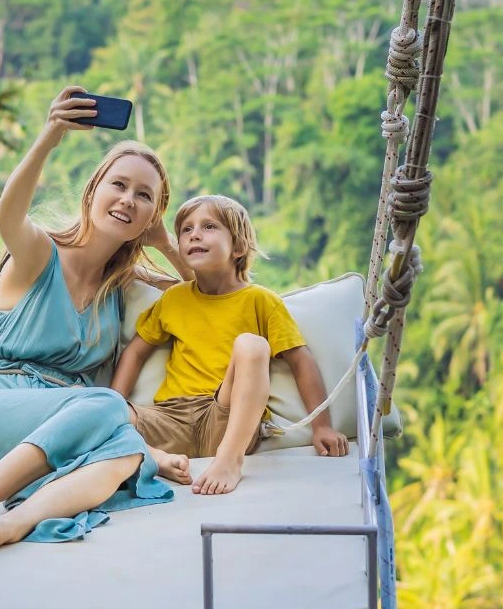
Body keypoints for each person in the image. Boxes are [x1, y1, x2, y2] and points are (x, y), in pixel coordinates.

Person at [0, 87, 191, 559]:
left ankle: (11, 524)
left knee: (125, 448)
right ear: (94, 190)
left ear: (151, 216)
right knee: (108, 407)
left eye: (144, 196)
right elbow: (8, 216)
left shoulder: (120, 286)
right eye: (119, 185)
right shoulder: (39, 254)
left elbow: (213, 295)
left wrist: (166, 244)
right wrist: (51, 134)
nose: (127, 200)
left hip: (63, 425)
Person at [112, 194, 349, 495]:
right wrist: (115, 402)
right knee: (100, 413)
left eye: (209, 226)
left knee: (252, 345)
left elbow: (301, 361)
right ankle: (158, 459)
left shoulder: (260, 300)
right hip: (171, 417)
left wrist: (322, 426)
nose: (194, 234)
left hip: (226, 416)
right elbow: (135, 351)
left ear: (238, 247)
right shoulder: (174, 298)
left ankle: (229, 460)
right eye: (186, 229)